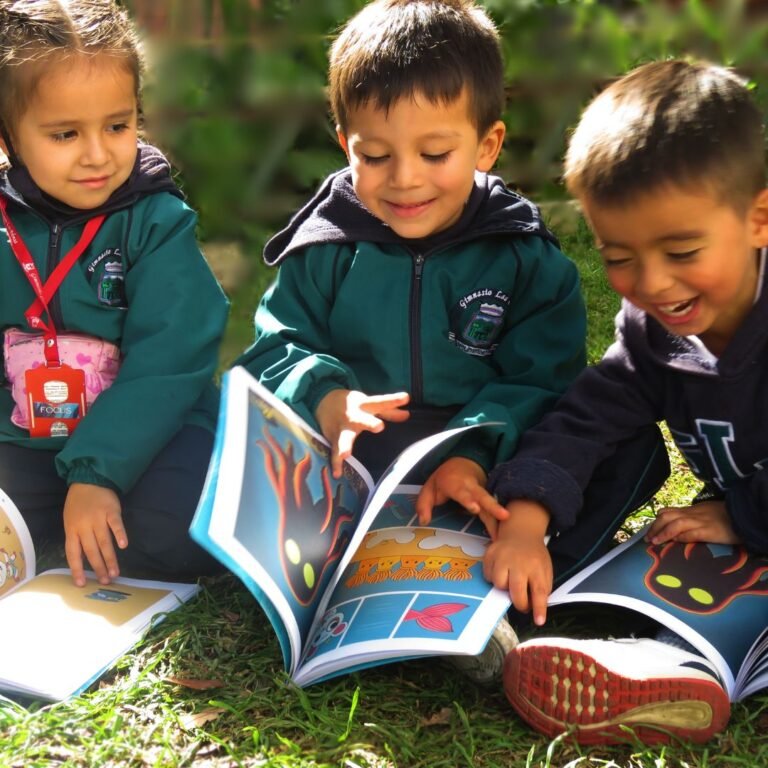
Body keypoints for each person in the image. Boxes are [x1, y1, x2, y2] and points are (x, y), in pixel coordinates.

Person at [237, 0, 595, 682]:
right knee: (208, 438)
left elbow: (545, 382)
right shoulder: (326, 248)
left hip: (486, 458)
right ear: (347, 144)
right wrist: (328, 395)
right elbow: (274, 345)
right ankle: (384, 599)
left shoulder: (526, 260)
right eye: (375, 155)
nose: (404, 179)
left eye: (435, 153)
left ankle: (491, 607)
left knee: (619, 455)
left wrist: (473, 453)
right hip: (361, 458)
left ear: (487, 146)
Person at [485, 59, 768, 744]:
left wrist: (740, 513)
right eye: (619, 255)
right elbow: (589, 417)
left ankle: (694, 666)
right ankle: (662, 670)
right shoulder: (653, 333)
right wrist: (525, 518)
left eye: (682, 249)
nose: (651, 282)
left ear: (759, 218)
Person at [0, 0, 228, 588]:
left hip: (149, 436)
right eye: (65, 134)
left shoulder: (156, 220)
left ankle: (92, 502)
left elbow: (174, 355)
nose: (98, 155)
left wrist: (98, 472)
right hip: (23, 437)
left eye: (118, 125)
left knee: (176, 533)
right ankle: (57, 511)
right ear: (7, 137)